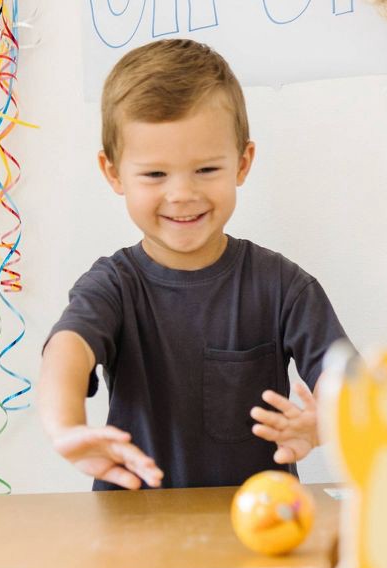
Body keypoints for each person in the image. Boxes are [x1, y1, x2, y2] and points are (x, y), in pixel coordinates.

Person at [38, 38, 352, 491]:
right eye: (155, 174)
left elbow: (348, 381)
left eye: (206, 170)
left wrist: (329, 420)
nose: (182, 194)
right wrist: (65, 427)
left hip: (259, 537)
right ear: (113, 174)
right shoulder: (113, 285)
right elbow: (65, 351)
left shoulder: (283, 285)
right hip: (134, 533)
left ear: (242, 163)